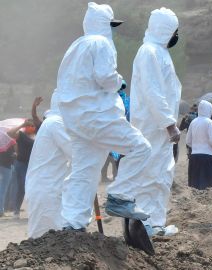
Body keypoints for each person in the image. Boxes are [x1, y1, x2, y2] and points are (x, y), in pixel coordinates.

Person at [56, 2, 151, 231]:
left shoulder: (75, 46)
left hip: (76, 119)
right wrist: (120, 82)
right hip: (98, 116)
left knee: (84, 170)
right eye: (112, 26)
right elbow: (106, 77)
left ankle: (73, 223)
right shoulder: (101, 43)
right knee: (141, 148)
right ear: (104, 25)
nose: (113, 31)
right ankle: (121, 197)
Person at [125, 7, 182, 236]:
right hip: (152, 126)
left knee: (161, 175)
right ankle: (145, 225)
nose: (177, 36)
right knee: (150, 174)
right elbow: (152, 91)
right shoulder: (148, 52)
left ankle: (156, 223)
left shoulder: (160, 52)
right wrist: (169, 123)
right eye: (174, 31)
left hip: (160, 129)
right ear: (166, 29)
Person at [25, 92, 72, 238]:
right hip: (46, 189)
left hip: (46, 187)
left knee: (48, 235)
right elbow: (77, 154)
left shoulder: (52, 123)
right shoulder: (56, 124)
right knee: (46, 236)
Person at [6, 119, 36, 219]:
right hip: (21, 164)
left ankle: (32, 210)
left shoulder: (38, 135)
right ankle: (16, 211)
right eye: (29, 125)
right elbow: (10, 133)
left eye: (32, 125)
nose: (31, 127)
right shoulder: (21, 135)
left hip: (33, 165)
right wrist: (22, 125)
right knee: (22, 186)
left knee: (31, 187)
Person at [186, 100, 212, 189]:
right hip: (207, 157)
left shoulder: (193, 122)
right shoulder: (209, 122)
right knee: (208, 187)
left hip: (194, 157)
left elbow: (188, 141)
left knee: (194, 186)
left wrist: (196, 147)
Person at [0, 133, 15, 217]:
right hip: (6, 167)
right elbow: (14, 154)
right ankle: (1, 210)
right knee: (3, 189)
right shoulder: (10, 142)